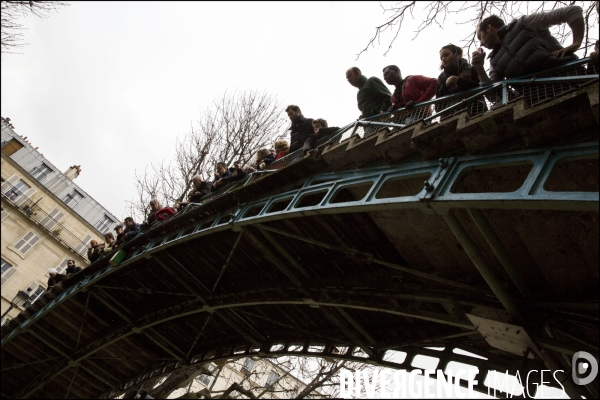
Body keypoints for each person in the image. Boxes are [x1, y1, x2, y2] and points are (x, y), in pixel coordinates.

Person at [471, 5, 585, 84]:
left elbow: (572, 11)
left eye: (480, 36)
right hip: (539, 102)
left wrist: (576, 43)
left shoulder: (524, 24)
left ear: (489, 28)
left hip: (573, 78)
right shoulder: (493, 62)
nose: (480, 43)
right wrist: (480, 69)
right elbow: (495, 95)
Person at [435, 44, 485, 115]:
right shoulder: (441, 78)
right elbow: (438, 106)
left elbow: (479, 87)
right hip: (451, 117)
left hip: (476, 111)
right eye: (441, 58)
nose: (443, 59)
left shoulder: (470, 68)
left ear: (456, 54)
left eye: (446, 55)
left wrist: (458, 81)